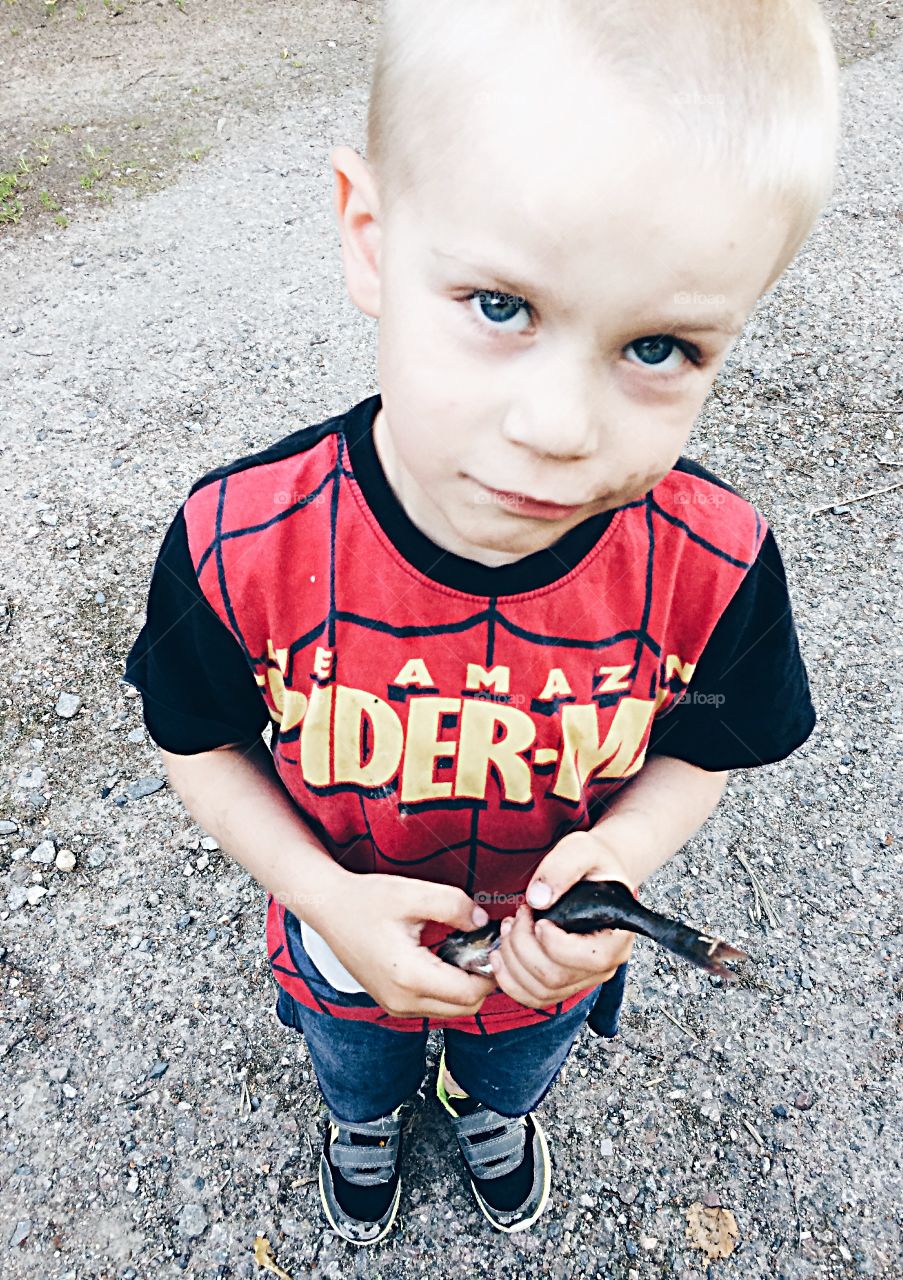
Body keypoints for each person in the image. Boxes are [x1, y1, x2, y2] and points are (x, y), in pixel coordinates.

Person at [125, 0, 839, 1247]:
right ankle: (362, 1120)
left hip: (543, 961)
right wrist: (319, 894)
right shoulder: (239, 540)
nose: (560, 426)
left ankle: (491, 1108)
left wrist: (626, 852)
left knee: (516, 1064)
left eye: (658, 343)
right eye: (501, 305)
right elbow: (196, 740)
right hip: (342, 936)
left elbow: (706, 746)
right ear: (369, 234)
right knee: (354, 1059)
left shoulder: (716, 565)